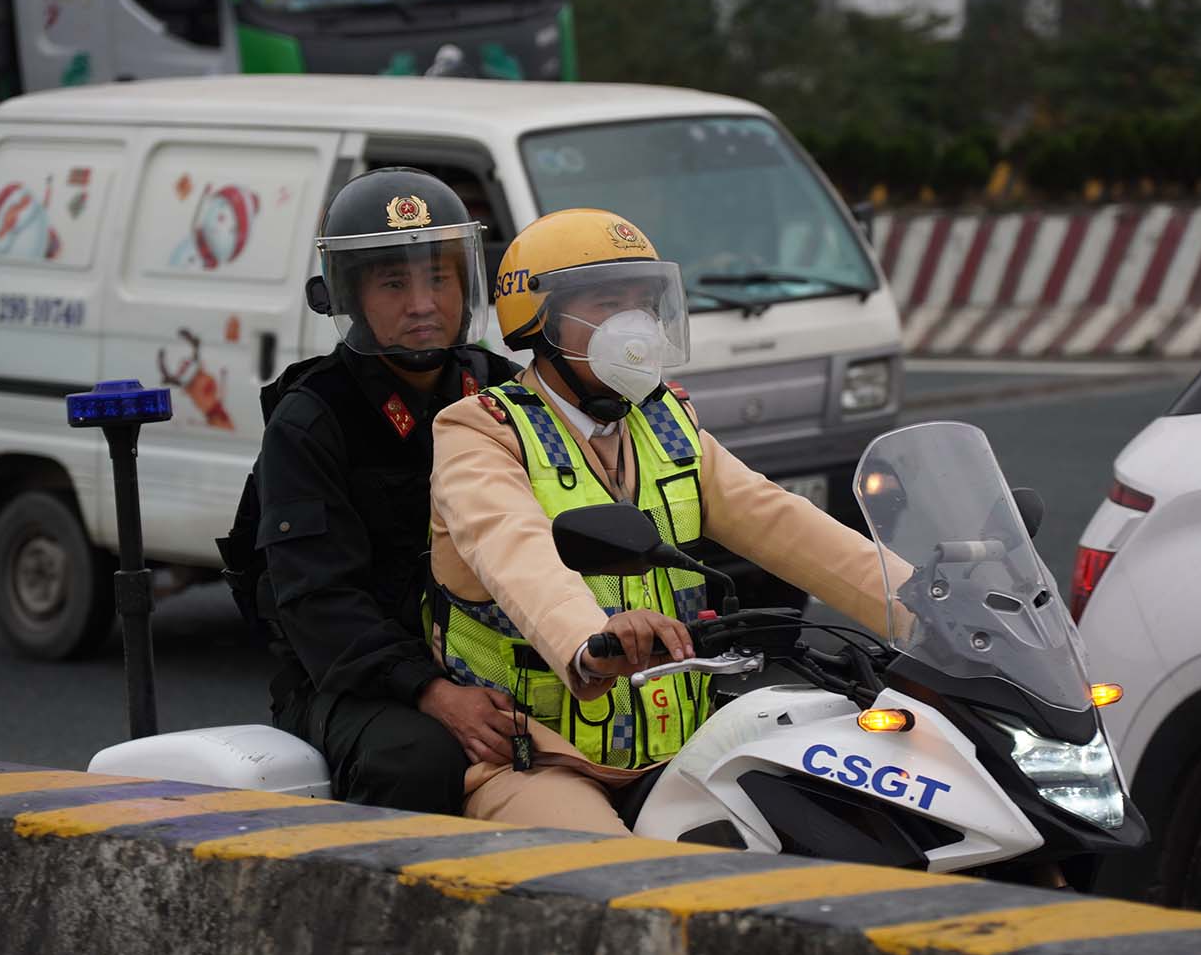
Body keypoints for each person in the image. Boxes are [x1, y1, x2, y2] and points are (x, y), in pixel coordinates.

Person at [425, 208, 911, 834]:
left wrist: (934, 609)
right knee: (615, 881)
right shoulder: (480, 432)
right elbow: (514, 552)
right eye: (607, 303)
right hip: (537, 757)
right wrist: (590, 641)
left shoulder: (667, 425)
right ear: (540, 321)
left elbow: (789, 526)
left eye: (645, 304)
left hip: (684, 750)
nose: (636, 326)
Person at [220, 167, 519, 814]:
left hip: (499, 658)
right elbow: (316, 601)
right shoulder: (313, 419)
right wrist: (431, 692)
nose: (421, 303)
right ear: (350, 297)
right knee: (416, 759)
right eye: (393, 282)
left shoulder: (504, 392)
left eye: (438, 276)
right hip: (354, 681)